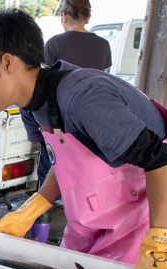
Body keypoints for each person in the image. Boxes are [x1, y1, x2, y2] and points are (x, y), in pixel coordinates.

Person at [0, 9, 167, 269]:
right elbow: (62, 159)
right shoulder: (28, 103)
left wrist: (159, 245)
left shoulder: (83, 97)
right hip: (90, 208)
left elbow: (158, 159)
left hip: (138, 206)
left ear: (7, 62)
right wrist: (34, 206)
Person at [30, 0, 113, 243]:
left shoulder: (54, 43)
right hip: (92, 130)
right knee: (90, 189)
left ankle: (39, 244)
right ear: (87, 17)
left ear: (64, 16)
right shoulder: (103, 45)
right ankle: (89, 247)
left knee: (45, 190)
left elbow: (41, 86)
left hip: (58, 130)